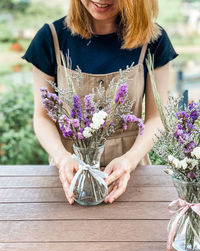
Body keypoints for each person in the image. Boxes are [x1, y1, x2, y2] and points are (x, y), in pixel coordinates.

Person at [22, 0, 178, 205]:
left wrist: (128, 162)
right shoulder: (51, 38)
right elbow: (42, 117)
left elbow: (157, 117)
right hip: (70, 177)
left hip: (131, 176)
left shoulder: (153, 40)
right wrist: (62, 159)